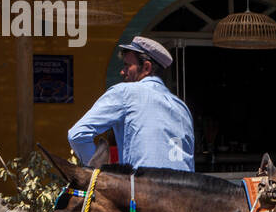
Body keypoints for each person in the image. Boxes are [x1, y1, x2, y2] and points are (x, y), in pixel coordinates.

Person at [67, 36, 195, 171]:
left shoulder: (125, 92)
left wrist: (101, 175)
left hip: (142, 189)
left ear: (146, 67)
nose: (122, 71)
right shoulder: (182, 107)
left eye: (127, 65)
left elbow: (77, 135)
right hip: (184, 190)